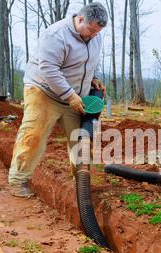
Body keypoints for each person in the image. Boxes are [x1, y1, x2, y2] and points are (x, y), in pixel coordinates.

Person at [8, 2, 108, 198]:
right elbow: (49, 70)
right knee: (33, 136)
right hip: (43, 91)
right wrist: (69, 95)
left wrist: (93, 77)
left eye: (97, 32)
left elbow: (90, 61)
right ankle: (18, 180)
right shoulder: (55, 35)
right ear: (80, 19)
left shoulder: (95, 36)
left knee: (82, 138)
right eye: (90, 30)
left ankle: (81, 183)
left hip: (76, 97)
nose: (93, 35)